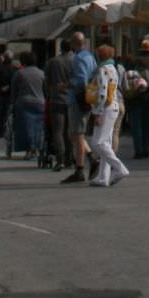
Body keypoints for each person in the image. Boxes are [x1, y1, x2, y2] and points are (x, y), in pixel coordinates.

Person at [85, 43, 131, 188]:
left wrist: (97, 113)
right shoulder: (113, 68)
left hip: (106, 108)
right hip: (114, 107)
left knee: (98, 143)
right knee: (106, 142)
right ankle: (103, 177)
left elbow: (103, 93)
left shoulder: (102, 70)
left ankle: (119, 168)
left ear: (100, 56)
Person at [62, 30, 98, 184]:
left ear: (74, 44)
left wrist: (65, 85)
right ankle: (88, 159)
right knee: (76, 134)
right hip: (87, 98)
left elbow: (81, 79)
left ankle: (81, 168)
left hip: (78, 100)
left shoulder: (79, 59)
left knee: (76, 134)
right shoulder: (90, 57)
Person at [46, 35, 78, 171]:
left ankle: (60, 159)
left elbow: (47, 81)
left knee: (58, 131)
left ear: (60, 47)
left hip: (56, 99)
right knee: (70, 131)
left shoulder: (53, 62)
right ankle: (70, 159)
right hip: (73, 100)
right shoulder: (77, 61)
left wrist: (48, 95)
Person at [9, 50, 47, 158]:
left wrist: (12, 104)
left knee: (25, 127)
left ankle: (29, 148)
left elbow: (14, 91)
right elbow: (45, 90)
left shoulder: (19, 73)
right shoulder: (41, 73)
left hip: (24, 103)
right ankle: (37, 145)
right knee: (38, 126)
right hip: (40, 103)